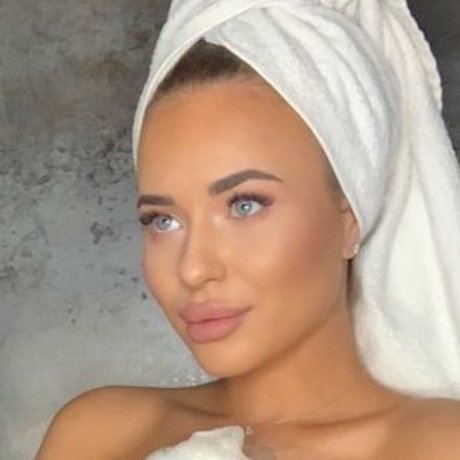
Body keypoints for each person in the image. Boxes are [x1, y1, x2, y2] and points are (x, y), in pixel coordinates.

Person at [37, 0, 460, 458]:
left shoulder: (437, 445)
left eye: (244, 205)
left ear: (349, 217)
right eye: (163, 220)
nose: (193, 269)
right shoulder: (100, 434)